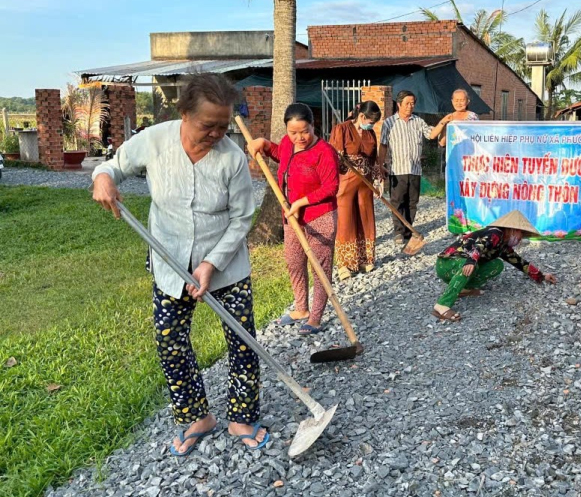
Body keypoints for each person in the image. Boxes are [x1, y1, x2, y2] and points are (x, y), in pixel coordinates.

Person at [91, 73, 268, 455]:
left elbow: (242, 218)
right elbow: (113, 166)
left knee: (243, 341)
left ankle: (242, 416)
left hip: (225, 264)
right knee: (171, 342)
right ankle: (195, 417)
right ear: (185, 113)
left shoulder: (232, 159)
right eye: (208, 125)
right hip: (169, 261)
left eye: (223, 125)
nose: (217, 133)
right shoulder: (155, 141)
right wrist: (103, 178)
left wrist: (211, 264)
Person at [246, 103, 339, 334]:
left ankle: (315, 318)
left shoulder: (324, 151)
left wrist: (300, 202)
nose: (299, 138)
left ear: (313, 126)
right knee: (294, 261)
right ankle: (300, 309)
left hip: (320, 216)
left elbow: (332, 187)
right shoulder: (288, 143)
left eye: (304, 131)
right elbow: (281, 155)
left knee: (320, 267)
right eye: (293, 132)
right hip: (292, 217)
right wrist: (264, 145)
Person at [432, 210, 558, 322]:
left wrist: (541, 276)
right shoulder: (495, 233)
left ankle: (464, 288)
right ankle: (442, 305)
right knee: (472, 265)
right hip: (447, 264)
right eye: (521, 234)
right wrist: (471, 261)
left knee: (497, 265)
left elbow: (520, 262)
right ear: (513, 229)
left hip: (460, 265)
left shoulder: (503, 246)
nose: (520, 239)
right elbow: (478, 246)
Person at [376, 90, 439, 246]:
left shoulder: (418, 121)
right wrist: (380, 165)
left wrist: (444, 122)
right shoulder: (389, 122)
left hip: (415, 169)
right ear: (399, 104)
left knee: (412, 202)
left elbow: (431, 135)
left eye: (412, 103)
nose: (410, 106)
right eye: (407, 103)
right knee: (397, 201)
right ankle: (398, 231)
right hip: (397, 169)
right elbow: (383, 145)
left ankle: (408, 229)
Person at [330, 101, 382, 280]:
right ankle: (344, 264)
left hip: (365, 183)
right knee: (346, 220)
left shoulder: (370, 132)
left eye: (374, 123)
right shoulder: (341, 129)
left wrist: (379, 181)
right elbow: (333, 157)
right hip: (346, 181)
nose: (371, 125)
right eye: (370, 121)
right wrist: (339, 157)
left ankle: (364, 259)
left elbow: (374, 159)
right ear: (361, 116)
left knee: (365, 217)